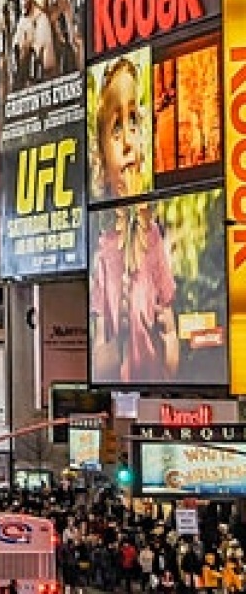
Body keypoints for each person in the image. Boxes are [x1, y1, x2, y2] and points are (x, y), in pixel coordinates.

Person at [89, 57, 179, 384]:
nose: (129, 141)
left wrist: (166, 333)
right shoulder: (101, 254)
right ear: (100, 154)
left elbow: (171, 351)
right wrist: (122, 334)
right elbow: (100, 363)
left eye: (133, 122)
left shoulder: (153, 237)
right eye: (116, 128)